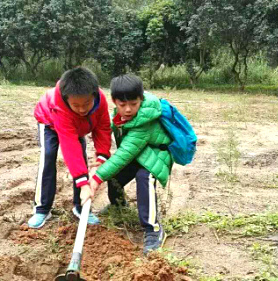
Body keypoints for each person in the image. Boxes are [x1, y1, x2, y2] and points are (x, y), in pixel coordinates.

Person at [89, 74, 173, 254]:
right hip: (137, 155)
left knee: (144, 177)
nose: (128, 109)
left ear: (141, 100)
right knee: (115, 175)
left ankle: (153, 229)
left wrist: (97, 177)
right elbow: (124, 152)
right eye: (123, 105)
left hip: (155, 156)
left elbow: (124, 154)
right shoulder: (118, 116)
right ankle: (118, 205)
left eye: (134, 104)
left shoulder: (145, 121)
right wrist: (102, 163)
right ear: (114, 101)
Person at [29, 66, 111, 229]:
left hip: (77, 126)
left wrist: (102, 156)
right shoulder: (59, 107)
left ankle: (80, 208)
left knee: (81, 158)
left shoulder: (101, 102)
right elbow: (69, 145)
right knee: (48, 156)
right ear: (67, 100)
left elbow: (102, 128)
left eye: (86, 104)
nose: (82, 109)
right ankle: (42, 208)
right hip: (49, 122)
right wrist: (83, 183)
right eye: (76, 105)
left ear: (94, 94)